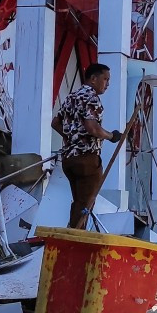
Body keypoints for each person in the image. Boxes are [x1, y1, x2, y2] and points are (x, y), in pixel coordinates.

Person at [50, 63, 123, 229]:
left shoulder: (71, 97)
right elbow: (93, 128)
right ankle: (75, 235)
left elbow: (55, 123)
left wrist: (71, 137)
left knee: (78, 200)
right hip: (86, 158)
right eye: (105, 79)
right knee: (85, 202)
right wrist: (111, 136)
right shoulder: (91, 98)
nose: (107, 84)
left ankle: (74, 231)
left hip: (69, 158)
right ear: (93, 79)